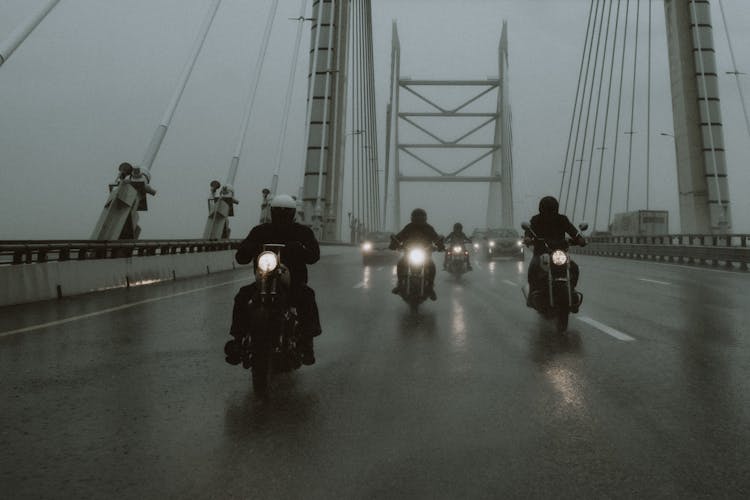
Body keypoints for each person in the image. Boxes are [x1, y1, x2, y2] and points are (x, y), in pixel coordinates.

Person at [225, 194, 321, 365]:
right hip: (264, 280)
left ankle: (307, 344)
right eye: (278, 212)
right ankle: (237, 341)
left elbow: (314, 256)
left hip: (293, 282)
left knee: (307, 297)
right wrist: (247, 248)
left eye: (285, 213)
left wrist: (300, 249)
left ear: (292, 214)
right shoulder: (260, 231)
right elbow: (241, 256)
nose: (282, 216)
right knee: (242, 296)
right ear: (272, 212)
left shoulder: (302, 232)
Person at [523, 196, 586, 310]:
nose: (549, 211)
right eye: (547, 208)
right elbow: (529, 231)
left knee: (574, 267)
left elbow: (572, 231)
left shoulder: (562, 219)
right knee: (533, 267)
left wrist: (580, 239)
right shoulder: (536, 220)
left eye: (551, 208)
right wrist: (527, 238)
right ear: (542, 209)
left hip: (559, 253)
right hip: (541, 253)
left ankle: (571, 290)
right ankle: (532, 295)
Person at [389, 208, 445, 300]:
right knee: (400, 264)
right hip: (409, 253)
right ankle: (400, 285)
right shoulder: (409, 227)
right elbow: (399, 237)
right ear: (412, 218)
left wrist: (440, 245)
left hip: (425, 254)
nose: (419, 219)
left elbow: (436, 238)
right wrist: (394, 243)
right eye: (417, 217)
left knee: (431, 266)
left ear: (424, 218)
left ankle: (430, 288)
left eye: (420, 217)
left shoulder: (428, 228)